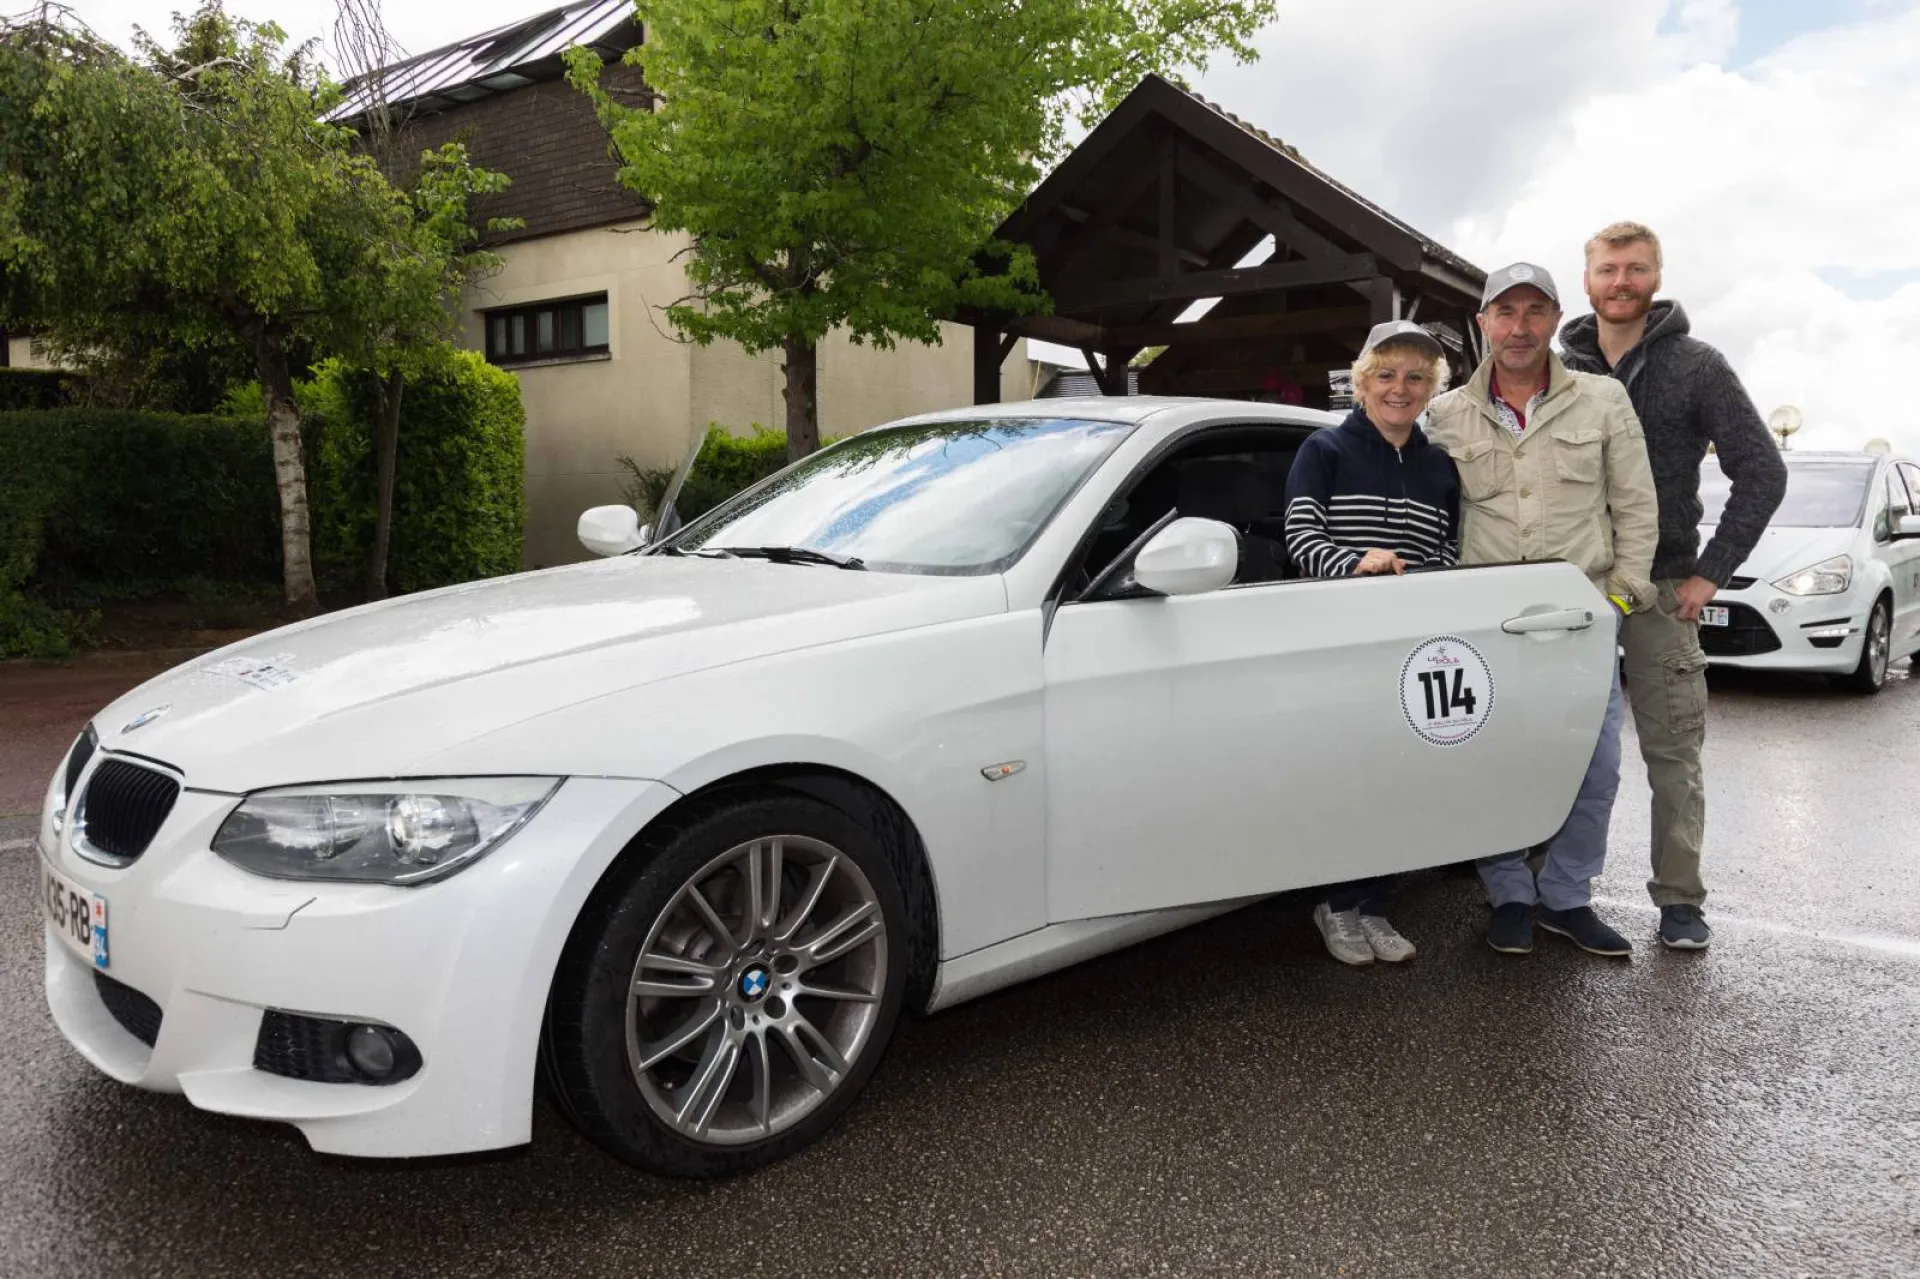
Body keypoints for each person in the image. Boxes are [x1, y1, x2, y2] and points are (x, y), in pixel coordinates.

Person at [1558, 222, 1786, 950]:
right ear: (1587, 279)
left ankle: (1680, 900)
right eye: (1607, 270)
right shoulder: (1559, 369)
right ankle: (1548, 888)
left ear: (1656, 276)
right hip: (1573, 594)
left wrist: (1711, 570)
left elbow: (1763, 469)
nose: (1620, 282)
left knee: (1673, 755)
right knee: (1555, 748)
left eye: (1634, 269)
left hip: (1659, 591)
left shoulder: (1697, 366)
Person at [1426, 263, 1658, 957]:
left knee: (1595, 766)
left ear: (1555, 319)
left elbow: (1637, 507)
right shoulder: (1445, 413)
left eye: (1534, 311)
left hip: (1580, 623)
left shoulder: (1603, 400)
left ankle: (1566, 896)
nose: (1519, 326)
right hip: (1485, 626)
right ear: (1483, 324)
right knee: (1491, 762)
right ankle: (1508, 892)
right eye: (1505, 312)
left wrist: (1619, 598)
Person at [1284, 319, 1460, 965]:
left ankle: (1377, 903)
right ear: (1362, 382)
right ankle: (1337, 903)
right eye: (1386, 374)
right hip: (1341, 646)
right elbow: (1302, 541)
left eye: (1416, 377)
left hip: (1413, 649)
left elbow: (1448, 552)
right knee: (1348, 776)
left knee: (1402, 779)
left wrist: (1428, 576)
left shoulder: (1441, 467)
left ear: (1430, 388)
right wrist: (1356, 561)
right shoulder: (1323, 451)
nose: (1400, 387)